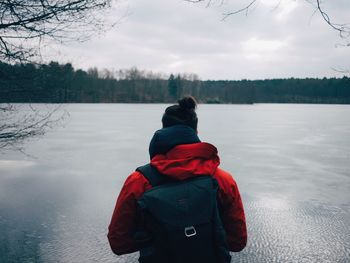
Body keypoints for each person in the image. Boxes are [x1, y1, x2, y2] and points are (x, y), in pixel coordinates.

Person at [108, 96, 247, 262]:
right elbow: (237, 242)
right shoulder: (222, 180)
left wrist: (156, 237)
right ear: (195, 132)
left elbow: (118, 243)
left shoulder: (139, 181)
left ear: (163, 130)